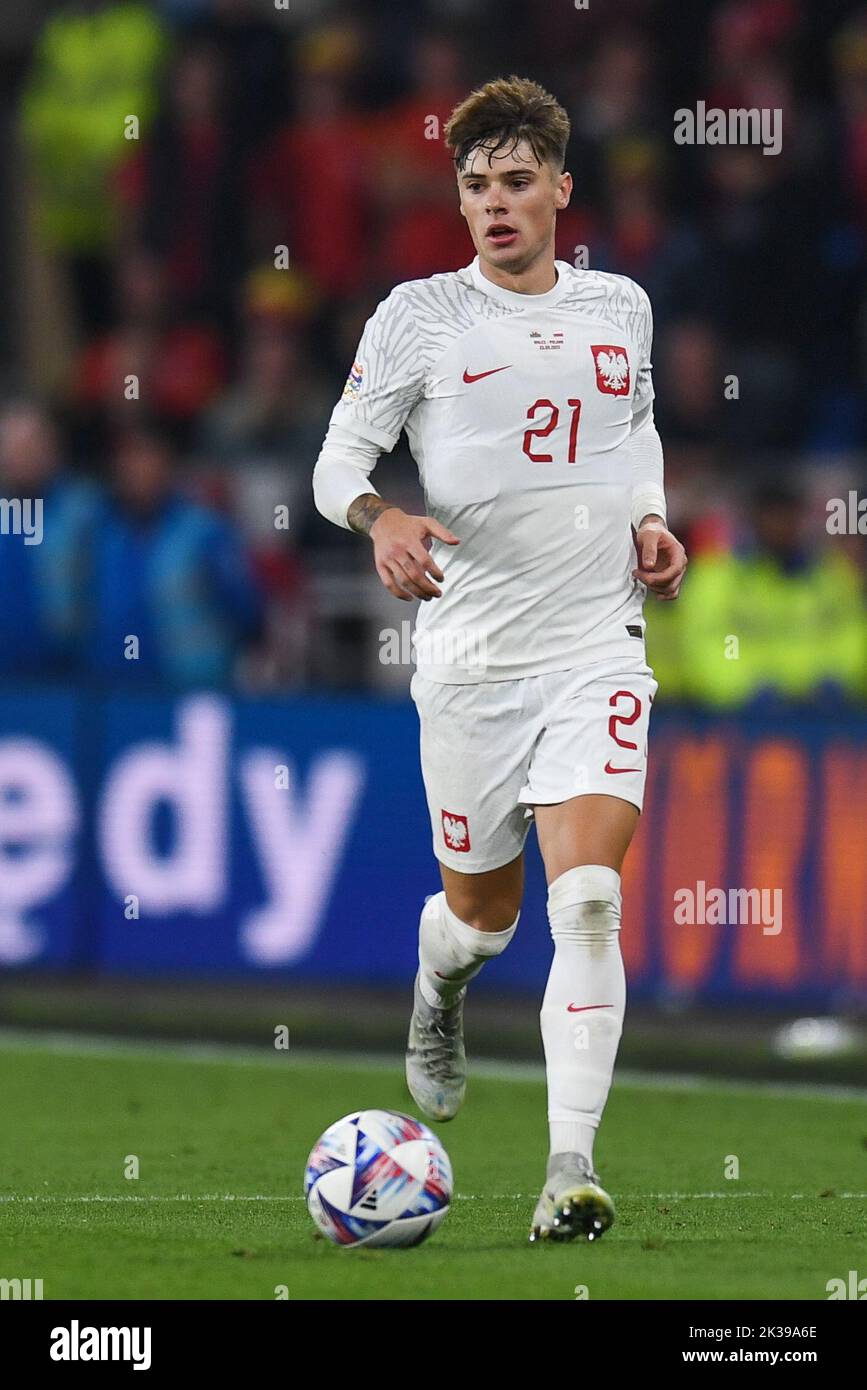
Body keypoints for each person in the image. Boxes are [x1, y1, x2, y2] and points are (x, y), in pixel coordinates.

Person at [312, 77, 687, 1244]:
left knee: (586, 903)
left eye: (517, 181)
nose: (494, 203)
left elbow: (635, 433)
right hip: (473, 659)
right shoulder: (417, 316)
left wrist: (651, 519)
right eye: (475, 184)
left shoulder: (621, 308)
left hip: (595, 644)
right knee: (483, 918)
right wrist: (380, 519)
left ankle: (567, 1167)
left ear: (562, 190)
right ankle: (440, 990)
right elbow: (336, 462)